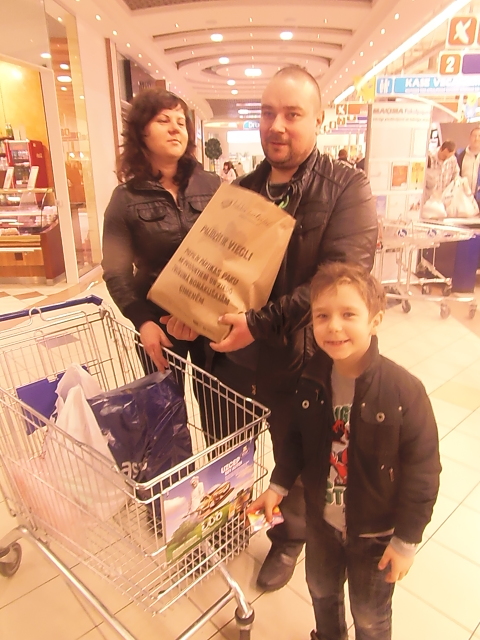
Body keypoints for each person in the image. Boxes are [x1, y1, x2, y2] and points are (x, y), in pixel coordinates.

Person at [163, 65, 378, 591]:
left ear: (319, 120)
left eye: (292, 114)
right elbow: (218, 272)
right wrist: (192, 313)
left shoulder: (346, 189)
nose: (276, 125)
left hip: (300, 363)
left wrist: (258, 326)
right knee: (227, 449)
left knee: (296, 460)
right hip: (233, 361)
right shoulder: (241, 191)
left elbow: (337, 282)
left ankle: (287, 540)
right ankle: (232, 521)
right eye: (267, 113)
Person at [249, 262, 441, 640]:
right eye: (322, 316)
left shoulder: (404, 391)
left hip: (375, 532)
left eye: (348, 314)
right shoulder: (311, 379)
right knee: (321, 592)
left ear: (375, 320)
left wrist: (406, 541)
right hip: (321, 523)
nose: (333, 326)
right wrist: (278, 486)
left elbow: (423, 471)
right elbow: (296, 441)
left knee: (369, 615)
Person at [101, 88, 220, 372]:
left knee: (218, 399)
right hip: (158, 321)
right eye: (163, 120)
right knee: (165, 399)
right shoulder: (125, 199)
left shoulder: (211, 185)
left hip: (210, 318)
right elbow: (116, 271)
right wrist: (143, 321)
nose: (175, 129)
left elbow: (229, 251)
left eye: (180, 122)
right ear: (141, 132)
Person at [456, 127, 480, 206]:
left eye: (479, 136)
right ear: (470, 137)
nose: (476, 139)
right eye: (474, 136)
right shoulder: (460, 155)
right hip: (463, 198)